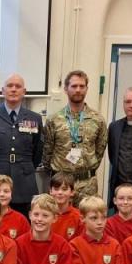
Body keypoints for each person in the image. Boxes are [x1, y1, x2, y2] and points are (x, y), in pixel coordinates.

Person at [0, 74, 43, 217]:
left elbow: (37, 151)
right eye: (10, 86)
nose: (13, 89)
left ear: (24, 92)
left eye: (18, 86)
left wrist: (25, 166)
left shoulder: (34, 118)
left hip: (24, 180)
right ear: (2, 91)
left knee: (23, 222)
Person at [42, 70, 108, 199]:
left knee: (87, 218)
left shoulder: (98, 119)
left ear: (87, 89)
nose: (78, 90)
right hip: (60, 183)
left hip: (87, 183)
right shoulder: (54, 119)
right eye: (74, 86)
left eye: (82, 86)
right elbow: (47, 151)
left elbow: (100, 150)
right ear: (66, 89)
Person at [49, 172, 83, 240]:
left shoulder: (79, 217)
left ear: (72, 192)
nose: (60, 192)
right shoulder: (45, 215)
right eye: (56, 189)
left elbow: (81, 243)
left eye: (64, 189)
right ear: (50, 191)